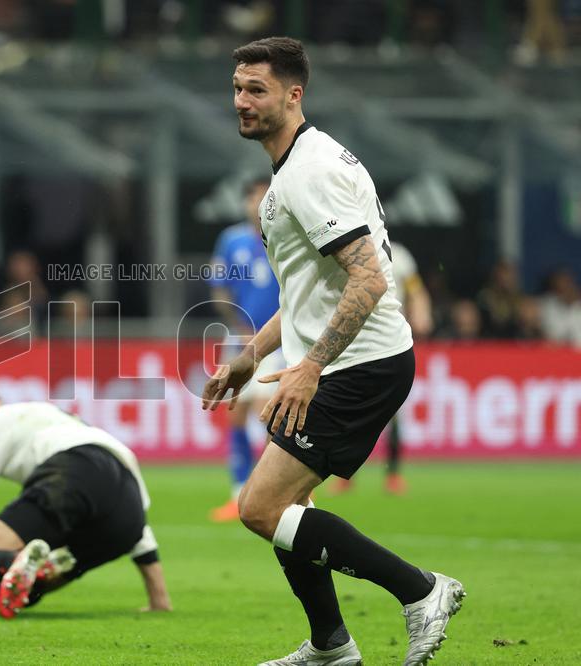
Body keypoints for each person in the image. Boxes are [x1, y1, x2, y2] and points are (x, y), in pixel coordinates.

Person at [201, 38, 464, 666]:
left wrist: (310, 368)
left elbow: (370, 279)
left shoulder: (310, 174)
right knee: (292, 505)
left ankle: (422, 590)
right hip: (347, 358)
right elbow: (307, 292)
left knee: (262, 508)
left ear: (294, 95)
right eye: (237, 87)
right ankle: (330, 646)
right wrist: (253, 357)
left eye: (256, 89)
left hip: (359, 363)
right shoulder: (295, 169)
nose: (241, 101)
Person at [0, 377, 172, 618]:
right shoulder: (60, 421)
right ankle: (41, 564)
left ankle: (21, 562)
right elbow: (139, 529)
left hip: (73, 473)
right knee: (13, 591)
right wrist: (159, 597)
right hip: (128, 512)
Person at [330, 241, 432, 496]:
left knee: (393, 411)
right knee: (347, 409)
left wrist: (421, 313)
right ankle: (344, 475)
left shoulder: (399, 254)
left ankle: (394, 474)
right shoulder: (346, 246)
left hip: (389, 340)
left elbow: (416, 290)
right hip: (353, 339)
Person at [207, 176, 282, 522]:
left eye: (265, 196)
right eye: (253, 197)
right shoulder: (231, 240)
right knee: (234, 412)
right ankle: (238, 493)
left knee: (270, 414)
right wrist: (234, 319)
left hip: (279, 340)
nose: (257, 202)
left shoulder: (286, 237)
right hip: (239, 338)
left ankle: (276, 491)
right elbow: (219, 289)